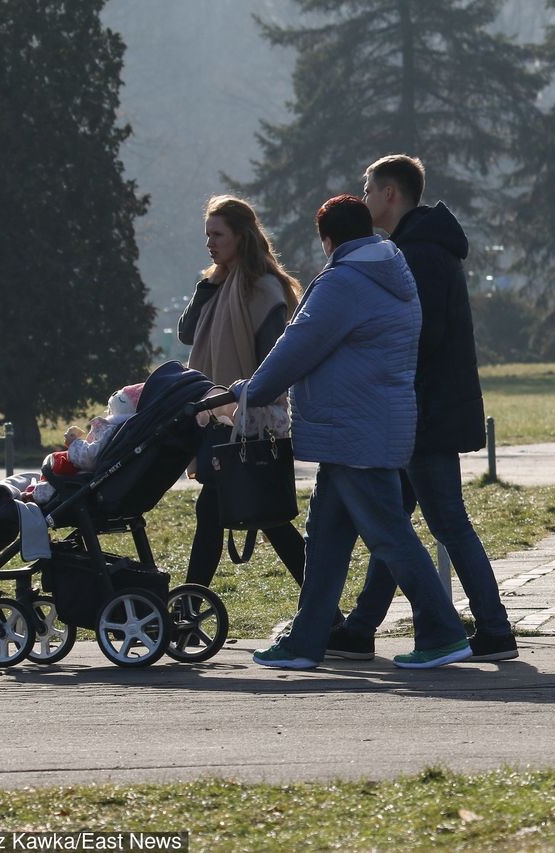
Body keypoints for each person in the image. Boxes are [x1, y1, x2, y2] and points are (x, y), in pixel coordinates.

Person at [235, 195, 472, 670]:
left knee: (390, 537)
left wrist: (253, 391)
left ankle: (442, 631)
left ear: (329, 239)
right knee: (324, 538)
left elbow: (300, 341)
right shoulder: (393, 271)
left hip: (353, 430)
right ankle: (307, 640)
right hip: (368, 426)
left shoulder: (344, 281)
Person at [325, 154, 517, 663]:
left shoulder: (418, 253)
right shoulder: (419, 247)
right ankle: (362, 626)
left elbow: (418, 335)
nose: (363, 199)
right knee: (395, 522)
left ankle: (495, 628)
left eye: (368, 190)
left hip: (424, 410)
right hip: (422, 406)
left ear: (391, 194)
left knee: (446, 521)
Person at [177, 196, 306, 589]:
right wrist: (206, 285)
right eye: (207, 235)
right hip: (217, 420)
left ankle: (188, 608)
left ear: (241, 237)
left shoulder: (264, 290)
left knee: (265, 519)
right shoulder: (217, 284)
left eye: (218, 235)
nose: (210, 244)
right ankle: (189, 608)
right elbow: (187, 333)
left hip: (247, 423)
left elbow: (272, 357)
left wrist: (249, 399)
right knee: (239, 515)